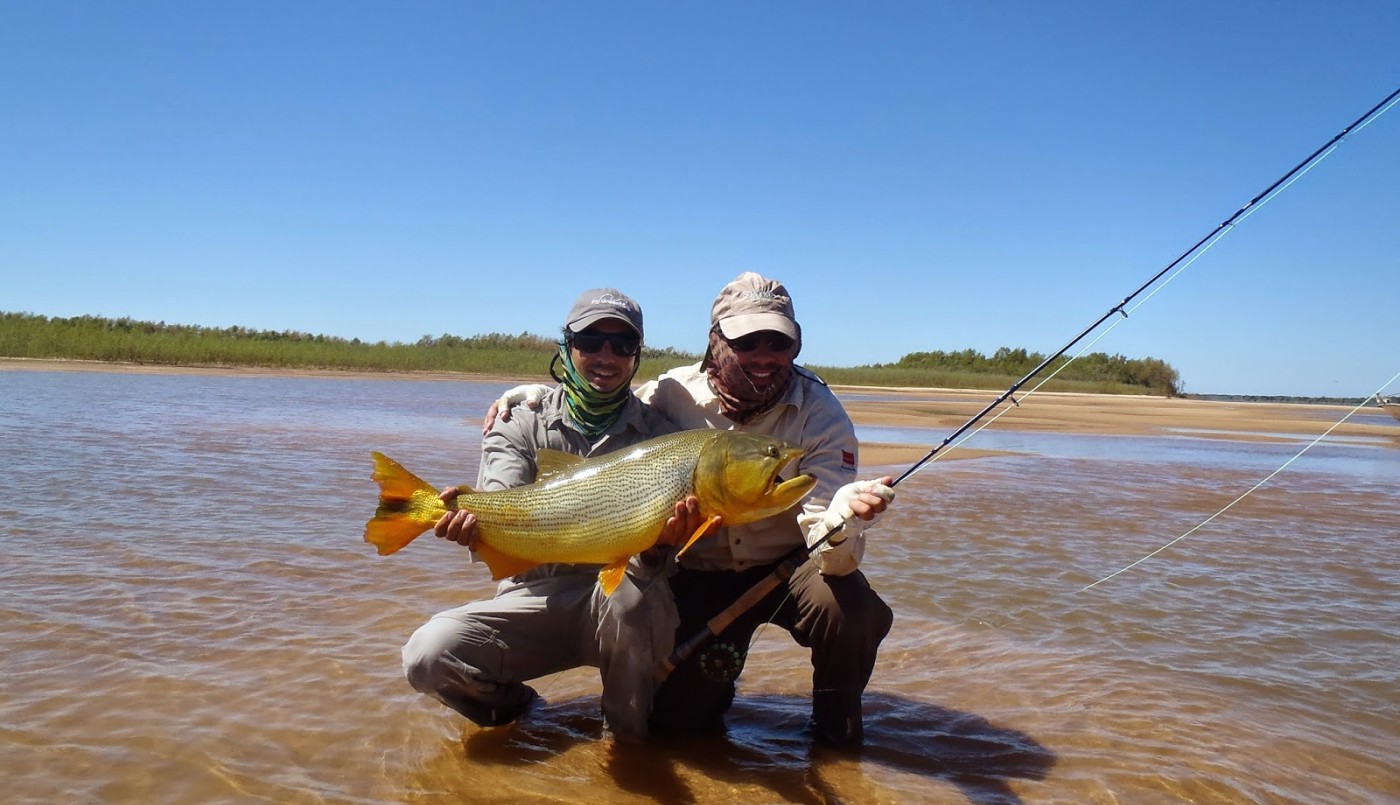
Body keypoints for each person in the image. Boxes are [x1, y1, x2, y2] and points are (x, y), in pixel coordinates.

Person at [491, 272, 895, 746]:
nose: (764, 357)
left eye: (778, 343)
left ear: (796, 346)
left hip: (790, 567)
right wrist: (527, 398)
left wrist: (842, 519)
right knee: (679, 730)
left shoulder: (822, 415)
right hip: (695, 575)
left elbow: (833, 558)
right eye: (747, 342)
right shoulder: (669, 394)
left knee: (849, 609)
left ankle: (835, 737)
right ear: (716, 342)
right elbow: (602, 407)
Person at [400, 288, 705, 737]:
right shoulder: (520, 419)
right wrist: (471, 525)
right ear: (566, 346)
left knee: (631, 602)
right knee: (427, 655)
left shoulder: (662, 437)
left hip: (623, 604)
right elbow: (503, 499)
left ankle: (624, 744)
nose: (606, 355)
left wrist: (664, 543)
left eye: (622, 345)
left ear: (637, 356)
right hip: (535, 596)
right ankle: (522, 712)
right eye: (590, 341)